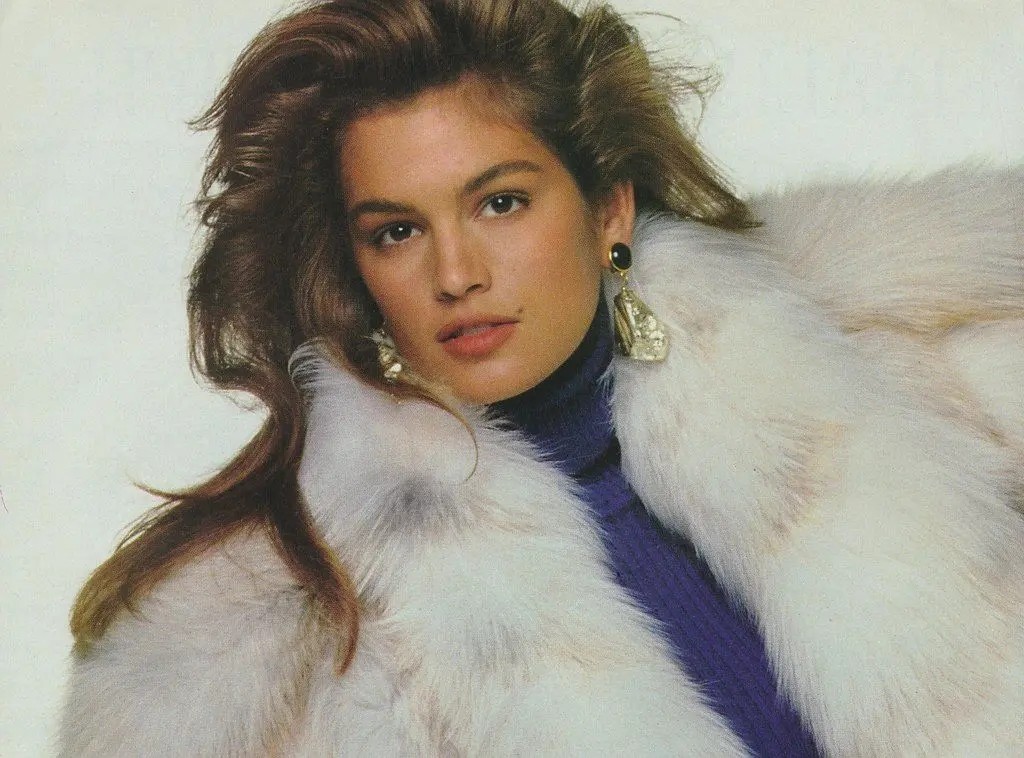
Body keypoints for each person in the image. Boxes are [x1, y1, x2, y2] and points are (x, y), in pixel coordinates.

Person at [59, 0, 1024, 755]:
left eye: (501, 203)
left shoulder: (909, 347)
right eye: (397, 231)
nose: (455, 273)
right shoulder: (280, 647)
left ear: (608, 211)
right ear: (357, 267)